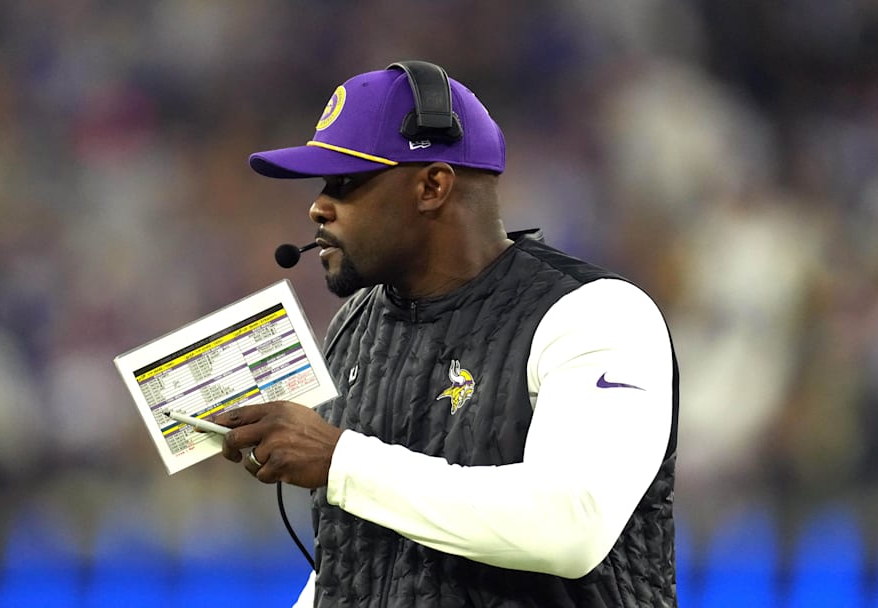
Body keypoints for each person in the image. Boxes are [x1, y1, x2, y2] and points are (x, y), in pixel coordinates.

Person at [212, 60, 680, 607]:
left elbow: (572, 525)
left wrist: (340, 459)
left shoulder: (595, 314)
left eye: (345, 182)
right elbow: (364, 558)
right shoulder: (355, 327)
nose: (318, 205)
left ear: (432, 185)